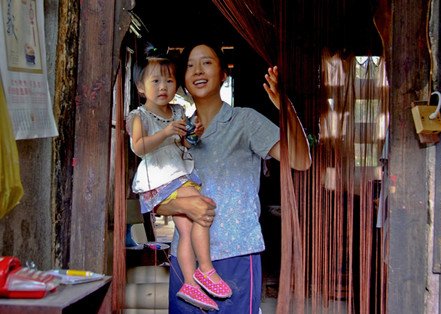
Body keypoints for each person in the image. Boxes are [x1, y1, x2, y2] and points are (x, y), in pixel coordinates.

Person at [155, 41, 312, 313]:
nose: (197, 71)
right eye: (190, 65)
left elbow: (301, 160)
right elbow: (155, 200)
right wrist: (181, 205)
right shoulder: (177, 134)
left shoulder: (245, 122)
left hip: (236, 254)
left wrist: (285, 107)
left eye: (206, 62)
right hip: (187, 259)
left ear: (223, 74)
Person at [126, 45, 231, 311]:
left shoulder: (177, 111)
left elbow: (184, 144)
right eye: (156, 80)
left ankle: (189, 284)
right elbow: (138, 148)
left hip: (180, 171)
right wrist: (164, 133)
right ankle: (205, 269)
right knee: (201, 208)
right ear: (140, 87)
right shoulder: (139, 116)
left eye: (170, 80)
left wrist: (193, 133)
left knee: (185, 229)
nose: (164, 86)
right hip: (161, 177)